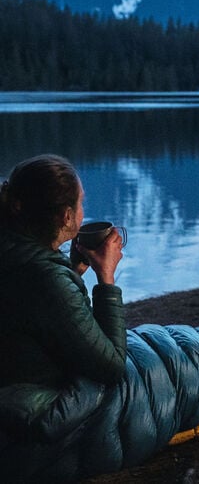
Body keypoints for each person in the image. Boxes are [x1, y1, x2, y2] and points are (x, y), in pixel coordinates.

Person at [0, 154, 127, 389]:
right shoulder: (45, 278)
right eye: (81, 203)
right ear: (66, 217)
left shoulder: (14, 251)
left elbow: (37, 316)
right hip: (40, 407)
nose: (82, 211)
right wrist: (106, 277)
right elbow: (113, 368)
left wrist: (73, 273)